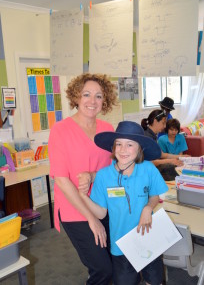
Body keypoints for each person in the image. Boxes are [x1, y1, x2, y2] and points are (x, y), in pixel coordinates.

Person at [48, 73, 118, 285]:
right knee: (102, 269)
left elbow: (113, 169)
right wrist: (91, 218)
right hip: (75, 209)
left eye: (98, 96)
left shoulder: (107, 129)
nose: (92, 101)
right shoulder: (60, 130)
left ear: (104, 100)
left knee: (116, 264)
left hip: (104, 203)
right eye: (86, 94)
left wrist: (94, 176)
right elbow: (61, 180)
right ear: (76, 97)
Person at [79, 121, 168, 285]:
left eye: (129, 145)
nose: (122, 149)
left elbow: (155, 195)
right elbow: (101, 213)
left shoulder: (148, 169)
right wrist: (83, 196)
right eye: (118, 144)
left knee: (154, 280)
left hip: (148, 236)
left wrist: (148, 208)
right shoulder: (104, 176)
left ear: (139, 148)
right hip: (121, 243)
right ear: (113, 148)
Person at [141, 110, 184, 180]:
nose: (164, 126)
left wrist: (180, 156)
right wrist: (171, 161)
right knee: (172, 169)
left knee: (176, 167)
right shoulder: (147, 137)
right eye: (163, 123)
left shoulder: (153, 135)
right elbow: (149, 163)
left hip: (153, 167)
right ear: (155, 121)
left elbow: (161, 154)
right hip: (147, 171)